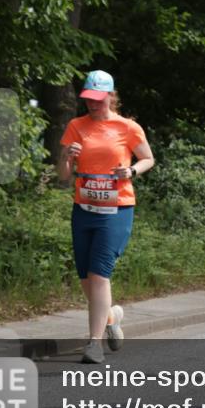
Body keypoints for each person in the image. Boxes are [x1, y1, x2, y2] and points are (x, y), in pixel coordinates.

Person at [58, 70, 155, 364]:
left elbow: (148, 158)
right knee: (85, 277)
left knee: (100, 275)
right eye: (89, 99)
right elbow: (63, 176)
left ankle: (94, 344)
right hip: (84, 209)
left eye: (99, 99)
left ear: (111, 96)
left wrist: (132, 171)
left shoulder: (127, 127)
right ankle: (111, 317)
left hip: (117, 209)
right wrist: (66, 157)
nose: (93, 104)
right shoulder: (76, 126)